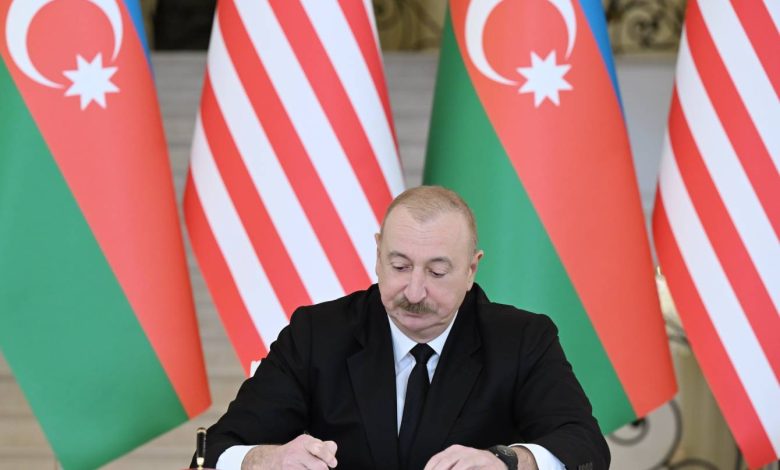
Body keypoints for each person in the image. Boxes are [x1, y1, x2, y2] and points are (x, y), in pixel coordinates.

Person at [194, 186, 610, 470]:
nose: (414, 291)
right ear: (378, 255)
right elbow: (217, 450)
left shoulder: (522, 339)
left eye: (437, 272)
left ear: (471, 269)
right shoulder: (316, 334)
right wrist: (266, 459)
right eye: (399, 266)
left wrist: (509, 461)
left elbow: (585, 446)